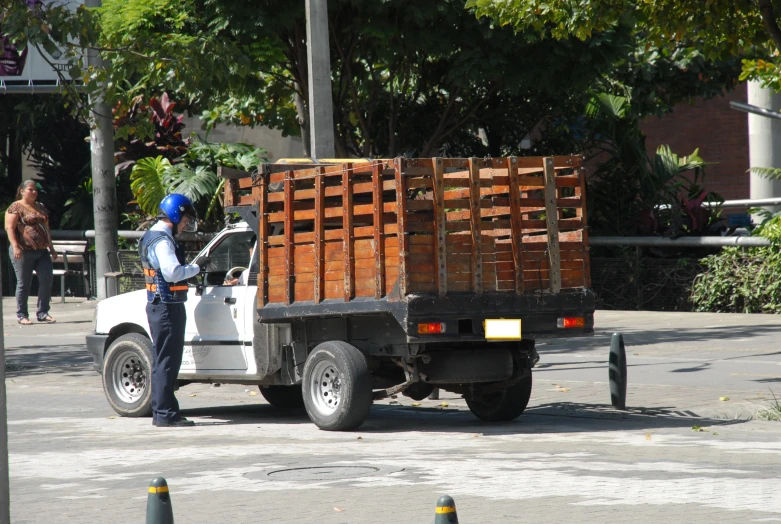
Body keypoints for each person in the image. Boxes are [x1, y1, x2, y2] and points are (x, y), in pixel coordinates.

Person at [139, 193, 205, 427]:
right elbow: (172, 273)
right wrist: (195, 268)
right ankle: (166, 414)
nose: (186, 223)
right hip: (166, 306)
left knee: (162, 360)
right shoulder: (163, 241)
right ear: (176, 215)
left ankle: (162, 412)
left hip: (161, 305)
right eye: (185, 218)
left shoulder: (152, 236)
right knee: (167, 361)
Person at [4, 180, 57, 325]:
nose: (34, 192)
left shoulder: (40, 207)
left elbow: (46, 227)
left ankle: (43, 312)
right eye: (30, 189)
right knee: (24, 283)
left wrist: (51, 247)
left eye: (35, 190)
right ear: (22, 191)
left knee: (46, 279)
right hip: (23, 252)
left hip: (41, 251)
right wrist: (15, 246)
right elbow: (9, 228)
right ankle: (22, 314)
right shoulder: (15, 207)